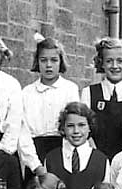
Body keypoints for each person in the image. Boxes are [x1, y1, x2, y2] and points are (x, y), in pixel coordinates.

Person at [45, 102, 111, 189]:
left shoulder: (101, 160)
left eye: (81, 125)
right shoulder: (51, 158)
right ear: (63, 128)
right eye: (70, 126)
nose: (76, 131)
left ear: (89, 127)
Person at [81, 37, 122, 160]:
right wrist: (96, 157)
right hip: (95, 158)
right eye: (109, 61)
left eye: (120, 61)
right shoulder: (89, 93)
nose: (115, 66)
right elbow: (84, 129)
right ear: (101, 63)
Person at [20, 35, 79, 174]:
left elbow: (74, 123)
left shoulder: (70, 89)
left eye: (53, 60)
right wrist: (36, 166)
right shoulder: (27, 92)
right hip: (35, 152)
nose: (48, 65)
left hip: (63, 151)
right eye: (43, 60)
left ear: (60, 62)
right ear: (37, 62)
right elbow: (23, 132)